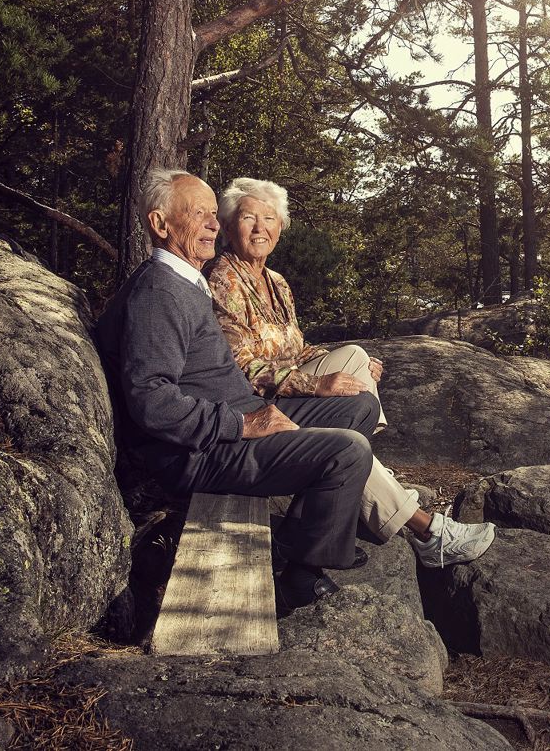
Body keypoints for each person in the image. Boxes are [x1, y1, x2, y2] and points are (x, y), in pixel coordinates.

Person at [94, 169, 375, 611]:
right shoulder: (158, 292)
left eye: (212, 213)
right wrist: (242, 423)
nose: (212, 224)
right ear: (160, 224)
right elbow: (151, 400)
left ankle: (294, 540)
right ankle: (302, 573)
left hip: (241, 415)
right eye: (198, 214)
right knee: (348, 451)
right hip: (201, 450)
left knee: (356, 405)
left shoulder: (187, 281)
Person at [206, 176, 494, 569]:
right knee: (349, 369)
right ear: (227, 226)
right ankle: (427, 531)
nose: (260, 227)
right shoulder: (222, 280)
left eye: (269, 218)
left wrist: (337, 362)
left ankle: (361, 470)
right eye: (248, 217)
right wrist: (316, 382)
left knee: (357, 355)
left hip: (285, 386)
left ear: (281, 228)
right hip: (257, 402)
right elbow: (238, 365)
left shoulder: (275, 282)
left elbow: (297, 348)